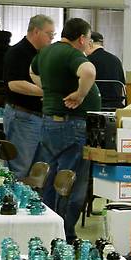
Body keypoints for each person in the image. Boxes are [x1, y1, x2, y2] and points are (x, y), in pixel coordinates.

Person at [30, 17, 100, 243]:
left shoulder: (46, 52)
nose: (88, 44)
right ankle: (65, 236)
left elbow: (31, 71)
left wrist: (49, 89)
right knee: (71, 182)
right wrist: (80, 95)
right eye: (88, 40)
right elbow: (89, 72)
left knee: (51, 179)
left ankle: (49, 229)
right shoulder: (72, 54)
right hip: (71, 125)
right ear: (81, 39)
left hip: (50, 123)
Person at [2, 14, 55, 178]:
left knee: (37, 171)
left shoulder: (41, 55)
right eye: (49, 34)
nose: (51, 38)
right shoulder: (17, 53)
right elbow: (14, 84)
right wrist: (46, 93)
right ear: (36, 31)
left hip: (40, 118)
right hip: (23, 117)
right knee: (20, 168)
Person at [86, 31, 126, 110]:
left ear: (90, 43)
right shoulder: (116, 60)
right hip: (117, 106)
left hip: (95, 106)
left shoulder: (87, 61)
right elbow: (122, 85)